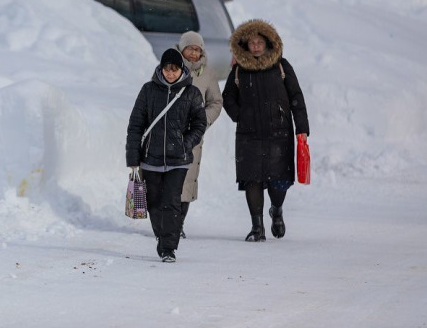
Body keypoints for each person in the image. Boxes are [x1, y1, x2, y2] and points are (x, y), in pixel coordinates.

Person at [221, 19, 309, 242]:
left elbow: (296, 97)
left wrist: (302, 128)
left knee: (279, 182)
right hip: (249, 135)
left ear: (268, 43)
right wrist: (239, 116)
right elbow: (227, 97)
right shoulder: (239, 70)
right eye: (252, 43)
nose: (256, 46)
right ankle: (256, 227)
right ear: (246, 45)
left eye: (260, 42)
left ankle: (276, 210)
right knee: (252, 179)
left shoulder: (281, 66)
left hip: (279, 134)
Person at [126, 48, 207, 262]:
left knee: (171, 201)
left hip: (178, 160)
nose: (170, 73)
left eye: (174, 69)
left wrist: (185, 143)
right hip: (150, 159)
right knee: (153, 203)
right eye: (167, 69)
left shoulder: (191, 93)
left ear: (181, 69)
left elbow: (200, 124)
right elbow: (135, 125)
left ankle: (169, 248)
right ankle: (162, 237)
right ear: (161, 69)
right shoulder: (148, 90)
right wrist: (133, 157)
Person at [175, 32, 223, 238]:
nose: (194, 53)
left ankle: (178, 224)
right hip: (169, 133)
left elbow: (215, 102)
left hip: (192, 136)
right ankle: (166, 221)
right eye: (190, 48)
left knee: (186, 178)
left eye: (197, 49)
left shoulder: (208, 74)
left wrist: (202, 122)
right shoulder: (170, 68)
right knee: (167, 179)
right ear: (182, 49)